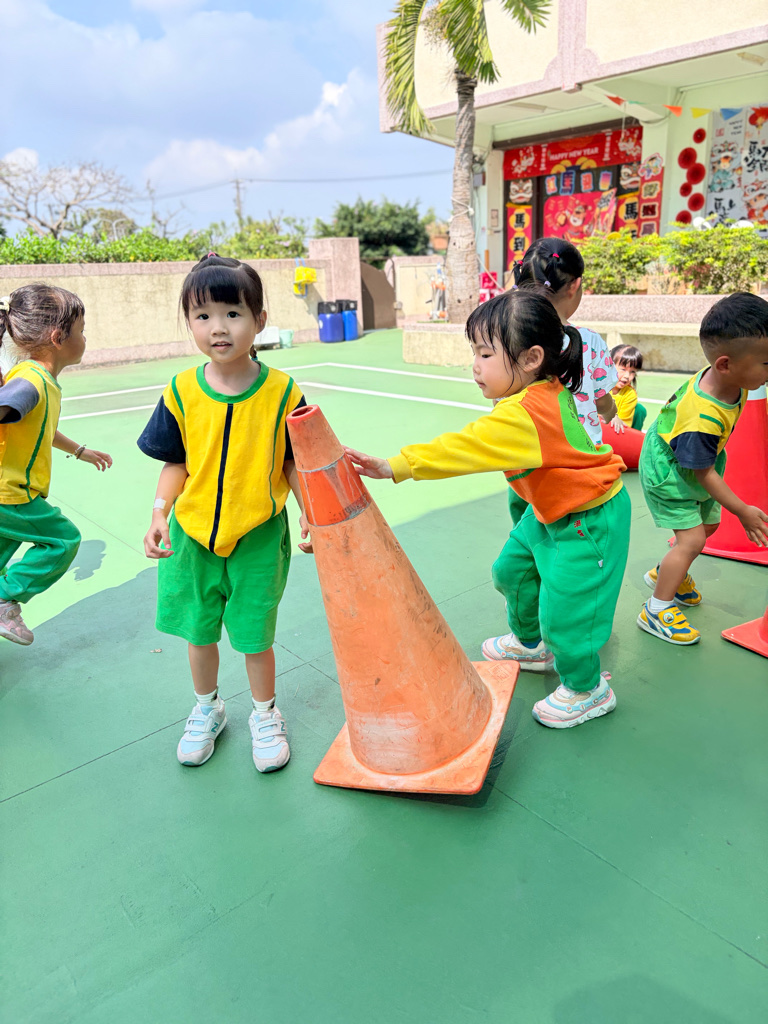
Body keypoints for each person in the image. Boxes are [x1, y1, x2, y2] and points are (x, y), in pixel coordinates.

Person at [346, 290, 630, 729]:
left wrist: (394, 466)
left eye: (484, 354)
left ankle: (587, 689)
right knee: (511, 572)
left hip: (589, 520)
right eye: (474, 353)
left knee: (568, 617)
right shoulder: (536, 390)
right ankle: (531, 644)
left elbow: (464, 447)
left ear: (532, 358)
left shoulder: (524, 413)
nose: (475, 366)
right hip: (550, 511)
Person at [138, 254, 312, 772]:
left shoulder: (283, 392)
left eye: (233, 314)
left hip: (258, 534)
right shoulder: (180, 391)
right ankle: (207, 708)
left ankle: (265, 713)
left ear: (260, 320)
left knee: (256, 635)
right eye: (203, 315)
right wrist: (159, 513)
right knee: (199, 631)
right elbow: (176, 463)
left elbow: (293, 462)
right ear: (189, 322)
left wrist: (310, 512)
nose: (218, 327)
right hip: (192, 536)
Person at [638, 292, 768, 645]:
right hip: (669, 471)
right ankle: (656, 609)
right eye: (766, 364)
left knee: (709, 524)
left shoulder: (731, 379)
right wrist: (743, 510)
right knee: (693, 539)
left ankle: (668, 572)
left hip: (694, 460)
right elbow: (703, 473)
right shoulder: (702, 417)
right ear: (725, 364)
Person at [0, 285, 112, 646]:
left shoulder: (36, 380)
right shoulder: (30, 381)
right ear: (57, 337)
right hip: (11, 495)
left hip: (8, 492)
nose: (85, 338)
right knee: (63, 540)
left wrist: (80, 450)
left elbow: (40, 428)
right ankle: (4, 601)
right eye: (81, 330)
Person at [510, 237, 618, 524]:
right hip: (578, 468)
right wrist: (611, 411)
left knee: (528, 532)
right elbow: (603, 402)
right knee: (572, 539)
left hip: (526, 464)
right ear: (574, 285)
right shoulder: (589, 341)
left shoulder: (510, 341)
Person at [606, 343, 646, 433]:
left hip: (613, 433)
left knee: (640, 410)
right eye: (623, 369)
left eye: (632, 372)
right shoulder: (597, 386)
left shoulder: (630, 394)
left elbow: (623, 426)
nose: (627, 376)